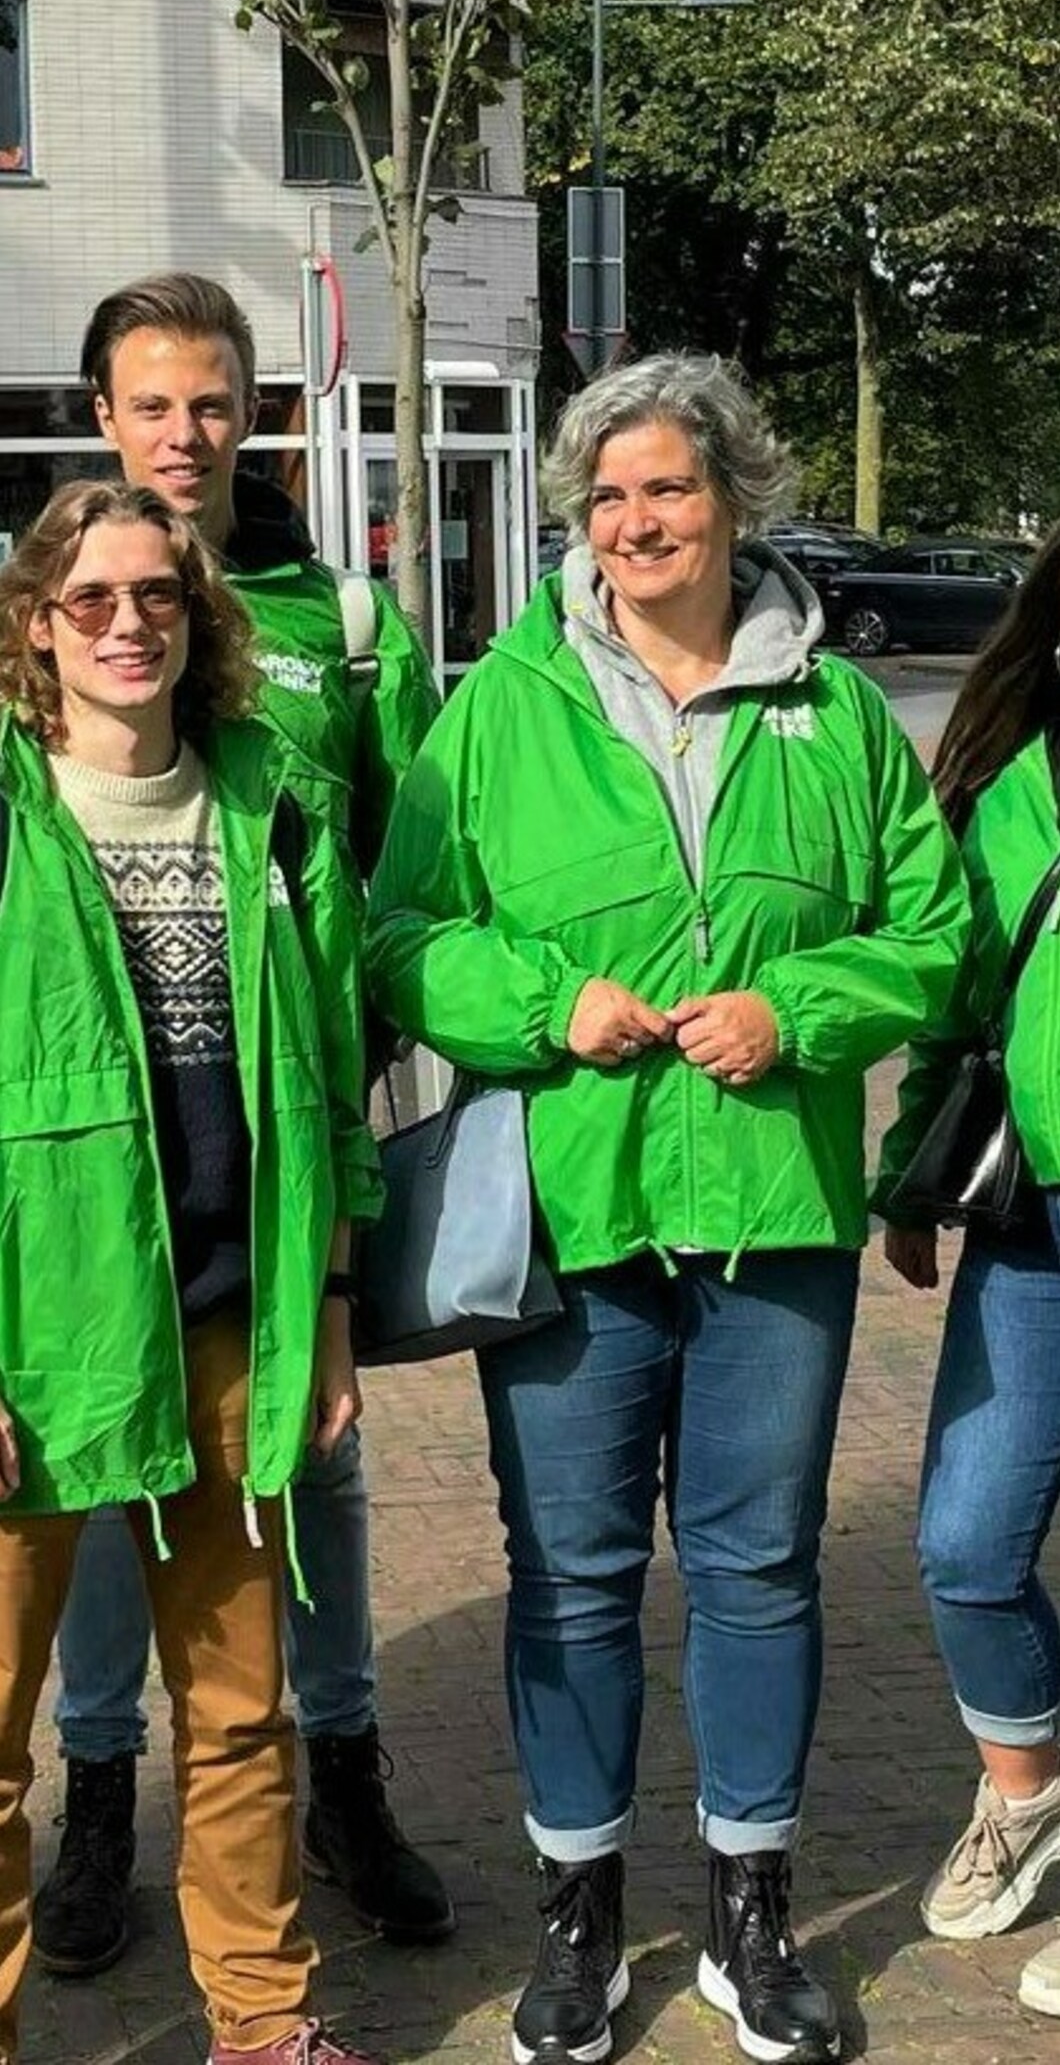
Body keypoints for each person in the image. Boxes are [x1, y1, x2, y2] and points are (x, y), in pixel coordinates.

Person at [365, 351, 969, 2065]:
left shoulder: (835, 714)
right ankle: (578, 1918)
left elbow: (927, 936)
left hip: (775, 1212)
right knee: (566, 1574)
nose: (635, 521)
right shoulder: (500, 705)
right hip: (572, 1220)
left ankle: (749, 1916)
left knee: (760, 1566)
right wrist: (546, 1006)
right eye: (607, 496)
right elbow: (405, 934)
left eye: (669, 489)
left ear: (734, 502)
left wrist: (809, 1007)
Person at [32, 274, 450, 1983]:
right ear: (104, 420)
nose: (184, 434)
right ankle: (105, 1793)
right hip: (83, 1166)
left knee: (313, 1476)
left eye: (214, 404)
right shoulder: (69, 601)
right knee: (102, 1470)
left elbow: (414, 876)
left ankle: (340, 1778)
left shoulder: (341, 625)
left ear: (255, 417)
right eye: (151, 404)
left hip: (291, 1141)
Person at [0, 477, 381, 2065]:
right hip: (36, 1337)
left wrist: (338, 1316)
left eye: (158, 595)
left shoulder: (272, 804)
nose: (127, 625)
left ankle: (265, 2024)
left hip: (236, 1323)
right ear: (36, 626)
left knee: (237, 1713)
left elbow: (339, 1069)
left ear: (201, 616)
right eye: (90, 600)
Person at [877, 523, 1060, 2018]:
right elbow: (954, 991)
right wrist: (909, 1179)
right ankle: (1025, 1788)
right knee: (967, 1544)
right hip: (1032, 1217)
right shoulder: (1003, 777)